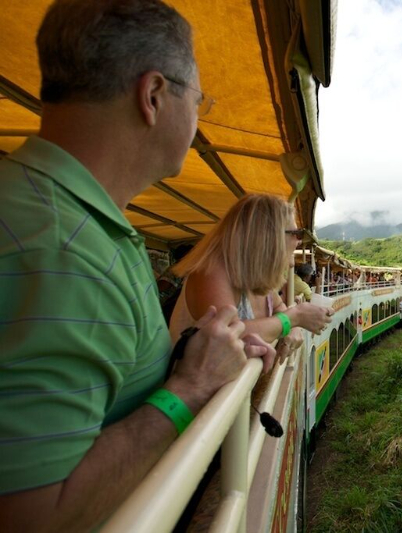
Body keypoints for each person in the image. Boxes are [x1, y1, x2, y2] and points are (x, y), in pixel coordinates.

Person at [0, 2, 275, 531]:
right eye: (200, 102)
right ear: (153, 97)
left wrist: (192, 358)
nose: (198, 120)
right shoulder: (64, 251)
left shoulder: (69, 218)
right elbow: (34, 515)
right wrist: (190, 387)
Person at [169, 194, 333, 362]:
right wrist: (293, 319)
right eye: (296, 234)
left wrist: (289, 325)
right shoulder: (210, 271)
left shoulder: (255, 277)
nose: (299, 242)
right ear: (269, 236)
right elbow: (227, 336)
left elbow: (279, 306)